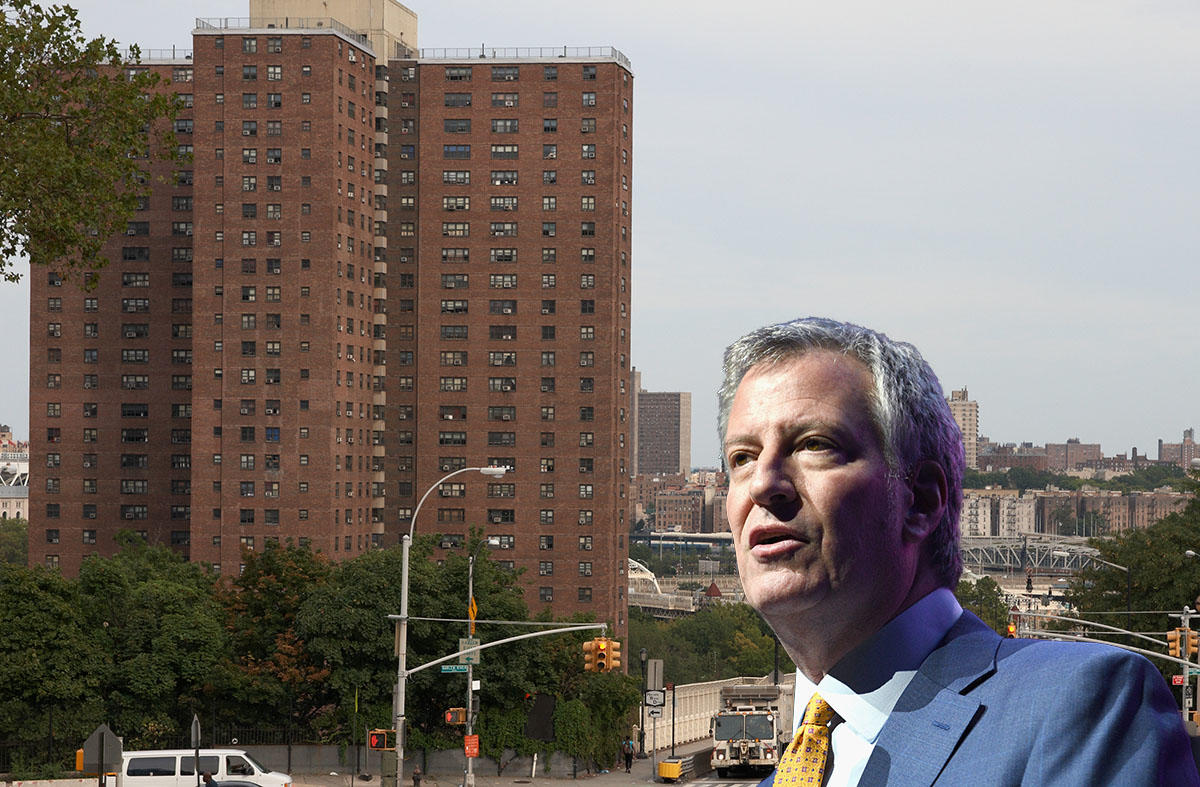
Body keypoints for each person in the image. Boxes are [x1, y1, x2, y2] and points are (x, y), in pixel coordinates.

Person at [719, 317, 1198, 785]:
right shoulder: (786, 775)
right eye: (742, 457)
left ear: (922, 500)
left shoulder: (1080, 708)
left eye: (814, 444)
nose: (763, 483)